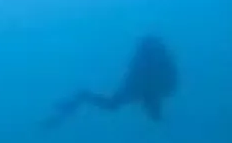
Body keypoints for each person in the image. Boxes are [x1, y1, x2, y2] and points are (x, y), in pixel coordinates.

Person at [42, 35, 179, 130]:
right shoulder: (161, 87)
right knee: (112, 105)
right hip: (138, 86)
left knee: (112, 105)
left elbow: (135, 75)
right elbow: (138, 77)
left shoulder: (160, 88)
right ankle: (80, 97)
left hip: (138, 86)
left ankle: (80, 97)